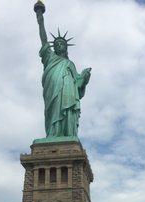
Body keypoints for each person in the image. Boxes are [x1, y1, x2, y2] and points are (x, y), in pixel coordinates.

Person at [34, 2, 91, 138]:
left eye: (62, 44)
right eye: (57, 44)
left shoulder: (70, 64)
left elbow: (78, 84)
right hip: (52, 89)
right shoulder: (50, 57)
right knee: (53, 110)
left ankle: (66, 134)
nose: (60, 45)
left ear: (66, 48)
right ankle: (53, 134)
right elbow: (43, 38)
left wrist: (84, 78)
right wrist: (40, 18)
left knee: (68, 110)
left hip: (68, 91)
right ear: (54, 47)